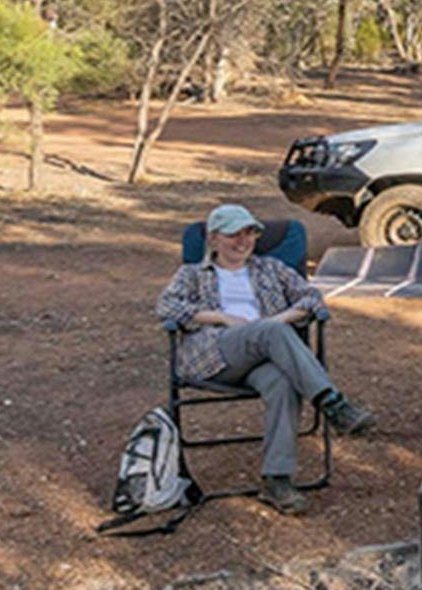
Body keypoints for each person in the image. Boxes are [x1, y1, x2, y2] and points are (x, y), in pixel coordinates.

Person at [155, 203, 375, 515]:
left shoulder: (270, 268)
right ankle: (334, 405)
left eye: (249, 233)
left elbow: (312, 298)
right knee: (270, 331)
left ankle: (276, 479)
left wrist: (282, 318)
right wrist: (220, 317)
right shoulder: (192, 274)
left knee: (283, 381)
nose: (243, 241)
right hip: (214, 355)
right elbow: (166, 308)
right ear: (214, 239)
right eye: (234, 234)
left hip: (265, 355)